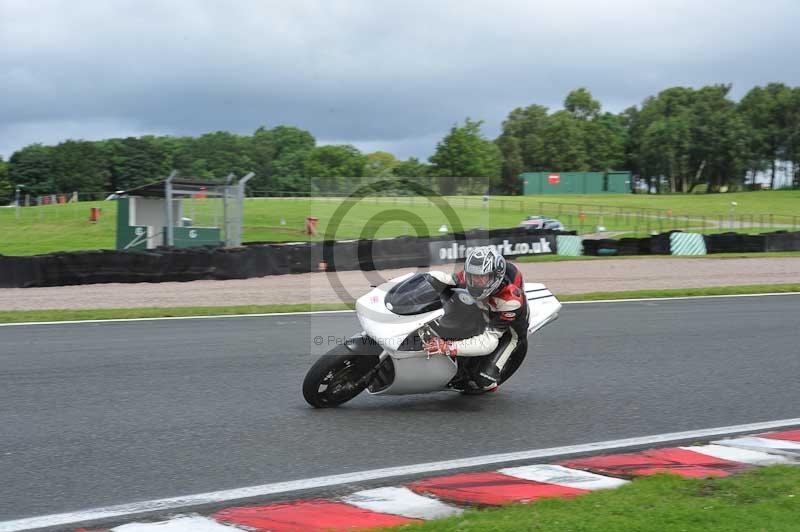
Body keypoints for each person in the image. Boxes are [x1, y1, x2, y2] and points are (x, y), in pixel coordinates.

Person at [425, 246, 529, 391]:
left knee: (483, 380)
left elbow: (489, 341)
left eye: (482, 277)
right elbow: (447, 279)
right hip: (484, 311)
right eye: (473, 276)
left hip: (507, 331)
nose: (477, 281)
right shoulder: (471, 275)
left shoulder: (510, 300)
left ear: (495, 276)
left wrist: (448, 348)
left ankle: (490, 382)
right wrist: (422, 280)